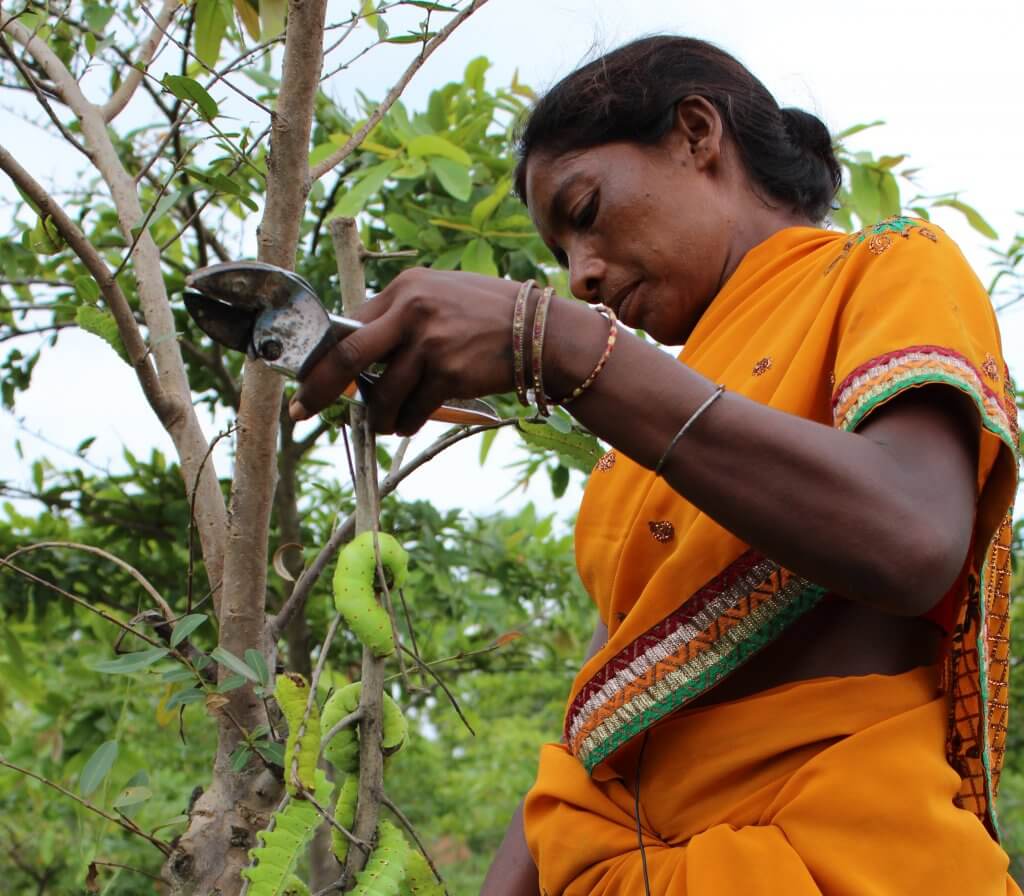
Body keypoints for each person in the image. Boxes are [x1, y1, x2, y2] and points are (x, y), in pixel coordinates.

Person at [289, 35, 1020, 895]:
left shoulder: (888, 268)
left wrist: (561, 345)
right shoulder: (647, 432)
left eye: (586, 212)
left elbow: (912, 538)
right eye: (559, 261)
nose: (583, 277)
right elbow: (601, 731)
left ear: (696, 134)